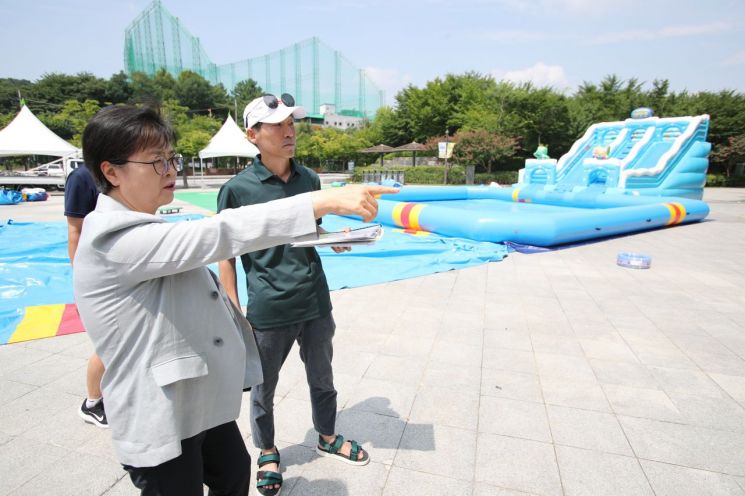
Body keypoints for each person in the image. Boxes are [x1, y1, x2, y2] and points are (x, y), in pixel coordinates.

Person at [73, 104, 396, 496]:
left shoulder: (145, 225)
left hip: (198, 402)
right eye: (156, 162)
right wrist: (321, 201)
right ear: (111, 171)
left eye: (170, 158)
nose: (171, 170)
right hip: (159, 413)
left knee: (232, 472)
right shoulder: (113, 239)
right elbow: (221, 234)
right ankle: (269, 449)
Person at [218, 94, 369, 496]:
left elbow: (308, 231)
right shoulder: (236, 190)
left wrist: (333, 237)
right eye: (278, 126)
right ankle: (267, 451)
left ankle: (327, 435)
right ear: (254, 135)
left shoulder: (309, 180)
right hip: (268, 306)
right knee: (264, 387)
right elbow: (225, 255)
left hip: (315, 299)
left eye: (292, 124)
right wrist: (234, 309)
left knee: (323, 377)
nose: (289, 132)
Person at [64, 164, 107, 428]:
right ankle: (91, 402)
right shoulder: (83, 177)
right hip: (98, 273)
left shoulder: (130, 166)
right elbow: (75, 231)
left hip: (123, 267)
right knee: (109, 343)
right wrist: (82, 280)